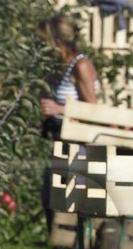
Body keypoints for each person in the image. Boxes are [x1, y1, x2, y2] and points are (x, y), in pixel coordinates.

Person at [37, 14, 100, 236]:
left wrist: (59, 109)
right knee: (49, 195)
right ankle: (58, 247)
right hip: (60, 141)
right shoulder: (59, 67)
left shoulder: (80, 65)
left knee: (72, 199)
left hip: (79, 145)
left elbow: (93, 108)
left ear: (58, 42)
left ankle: (82, 245)